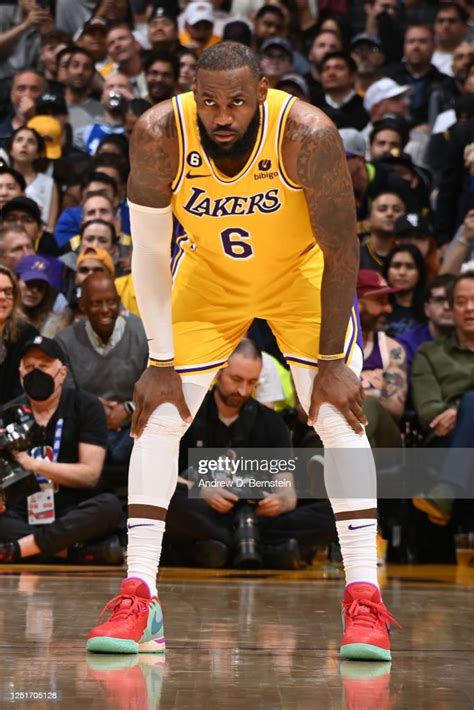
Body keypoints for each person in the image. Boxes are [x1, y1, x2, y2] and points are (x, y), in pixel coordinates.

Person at [87, 42, 398, 660]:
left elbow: (342, 250)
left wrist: (334, 361)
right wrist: (159, 359)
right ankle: (139, 596)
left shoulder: (307, 133)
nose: (221, 114)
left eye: (235, 100)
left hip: (301, 274)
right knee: (158, 416)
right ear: (191, 94)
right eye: (208, 101)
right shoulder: (157, 134)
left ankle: (364, 598)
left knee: (339, 416)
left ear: (262, 91)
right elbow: (149, 253)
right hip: (209, 277)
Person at [165, 339, 335, 569]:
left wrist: (280, 502)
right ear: (217, 373)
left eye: (251, 382)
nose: (243, 390)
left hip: (258, 518)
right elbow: (164, 476)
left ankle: (224, 547)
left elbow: (287, 491)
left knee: (332, 513)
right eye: (236, 380)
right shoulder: (189, 412)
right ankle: (267, 552)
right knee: (169, 501)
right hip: (207, 512)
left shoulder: (271, 422)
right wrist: (200, 490)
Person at [0, 335, 123, 565]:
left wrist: (34, 464)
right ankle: (76, 553)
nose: (36, 373)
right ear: (20, 373)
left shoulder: (85, 406)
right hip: (25, 512)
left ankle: (18, 550)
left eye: (44, 366)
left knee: (110, 506)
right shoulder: (8, 414)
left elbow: (90, 475)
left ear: (62, 373)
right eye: (29, 367)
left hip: (73, 509)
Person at [56, 273, 148, 464]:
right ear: (83, 306)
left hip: (136, 424)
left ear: (119, 302)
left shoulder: (143, 333)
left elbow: (157, 388)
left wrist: (130, 408)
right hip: (86, 428)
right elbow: (66, 394)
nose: (105, 310)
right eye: (96, 303)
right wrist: (95, 409)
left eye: (111, 302)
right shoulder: (65, 341)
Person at [412, 272, 474, 525]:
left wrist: (459, 408)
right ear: (451, 308)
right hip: (446, 442)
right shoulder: (429, 354)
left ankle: (446, 490)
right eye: (461, 301)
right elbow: (431, 413)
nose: (469, 308)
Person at [357, 270, 407, 448]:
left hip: (384, 440)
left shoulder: (392, 349)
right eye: (380, 301)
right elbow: (304, 411)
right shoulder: (323, 347)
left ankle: (335, 459)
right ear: (355, 302)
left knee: (369, 404)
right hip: (332, 431)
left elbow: (395, 408)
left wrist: (350, 400)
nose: (389, 308)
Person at [397, 274, 455, 374]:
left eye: (453, 300)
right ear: (427, 309)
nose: (446, 306)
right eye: (439, 300)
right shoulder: (406, 343)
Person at [7, 126, 59, 231]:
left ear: (37, 154)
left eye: (30, 142)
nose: (24, 145)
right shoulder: (2, 179)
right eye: (19, 140)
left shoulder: (49, 184)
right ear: (10, 150)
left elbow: (51, 227)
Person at [0, 265, 37, 405]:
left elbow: (28, 388)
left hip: (13, 417)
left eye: (7, 291)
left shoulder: (27, 334)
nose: (2, 297)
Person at [384, 243, 427, 338]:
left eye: (410, 267)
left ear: (420, 273)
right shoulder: (377, 308)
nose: (402, 272)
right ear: (386, 271)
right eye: (396, 266)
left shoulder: (428, 309)